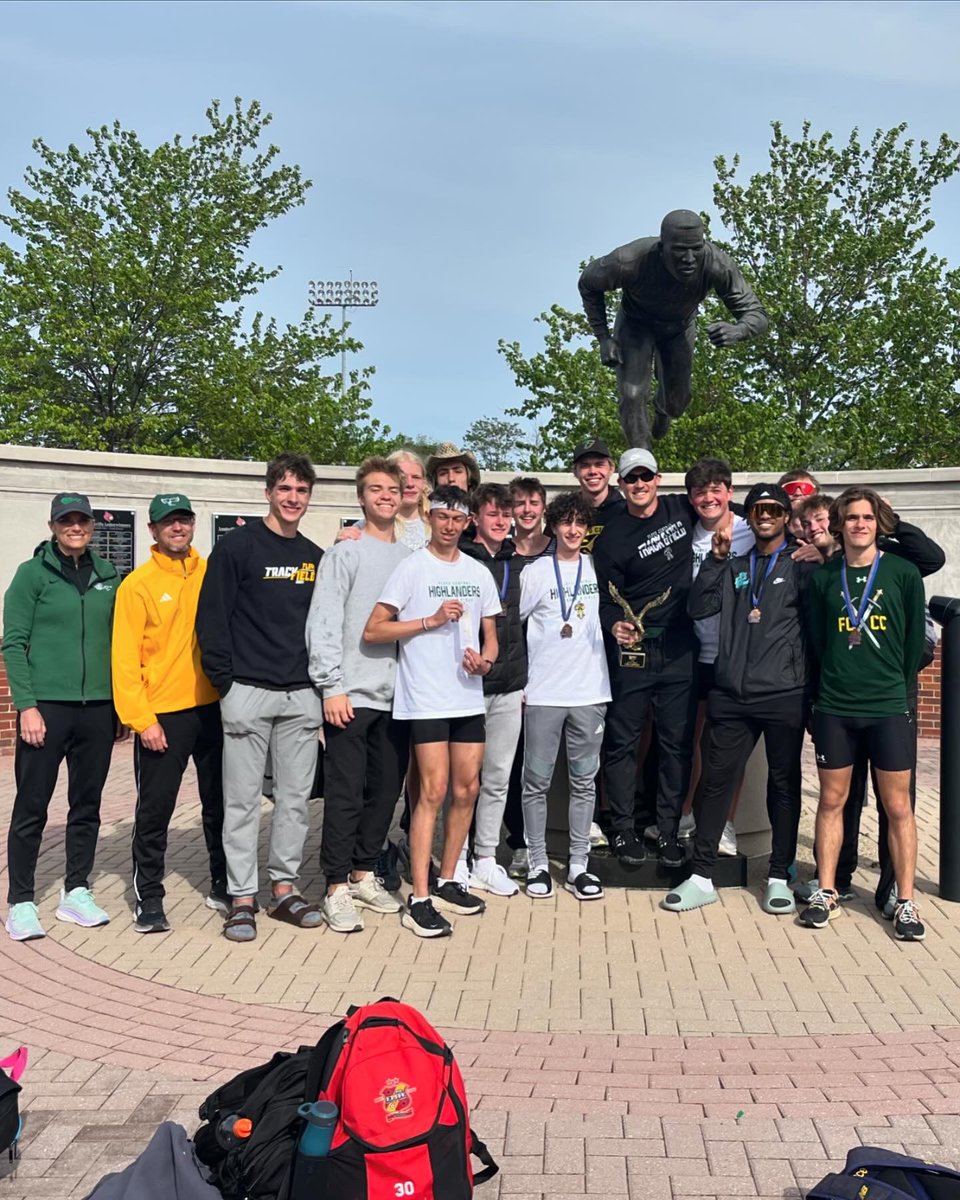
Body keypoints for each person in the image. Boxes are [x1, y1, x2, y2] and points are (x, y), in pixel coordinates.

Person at [664, 484, 815, 914]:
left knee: (783, 785)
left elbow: (817, 629)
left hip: (784, 693)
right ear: (748, 517)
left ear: (785, 516)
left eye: (773, 509)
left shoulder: (801, 564)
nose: (764, 515)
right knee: (714, 784)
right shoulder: (733, 565)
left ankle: (778, 876)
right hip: (730, 691)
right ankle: (702, 876)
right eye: (757, 510)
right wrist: (713, 560)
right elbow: (698, 607)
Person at [196, 453, 324, 943]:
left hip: (299, 697)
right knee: (243, 802)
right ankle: (242, 897)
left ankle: (285, 889)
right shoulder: (238, 548)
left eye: (302, 490)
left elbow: (324, 625)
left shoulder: (315, 557)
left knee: (294, 801)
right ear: (268, 492)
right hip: (247, 691)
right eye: (285, 489)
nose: (293, 498)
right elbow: (212, 619)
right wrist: (226, 684)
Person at [795, 494, 944, 912]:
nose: (860, 524)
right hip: (837, 706)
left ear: (879, 523)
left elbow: (915, 641)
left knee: (898, 805)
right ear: (839, 525)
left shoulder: (903, 571)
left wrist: (890, 686)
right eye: (851, 518)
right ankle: (827, 891)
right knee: (832, 801)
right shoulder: (826, 577)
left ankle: (905, 899)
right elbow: (819, 642)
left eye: (867, 517)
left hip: (889, 704)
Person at [364, 486, 500, 938]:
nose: (448, 525)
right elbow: (375, 629)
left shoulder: (479, 572)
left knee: (468, 790)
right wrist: (430, 621)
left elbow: (490, 636)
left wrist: (486, 661)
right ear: (429, 517)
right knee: (433, 792)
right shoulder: (412, 568)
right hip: (424, 698)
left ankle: (447, 881)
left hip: (466, 696)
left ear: (467, 524)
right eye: (441, 516)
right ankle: (418, 899)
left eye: (456, 519)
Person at [2, 492, 120, 940]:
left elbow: (120, 643)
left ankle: (76, 892)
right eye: (66, 521)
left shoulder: (109, 575)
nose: (76, 527)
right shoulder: (32, 576)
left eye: (82, 521)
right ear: (53, 526)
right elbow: (13, 643)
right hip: (46, 709)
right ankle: (22, 901)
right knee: (31, 807)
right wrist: (27, 705)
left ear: (92, 526)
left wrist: (118, 704)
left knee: (87, 807)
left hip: (97, 709)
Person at [111, 492, 226, 934]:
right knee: (155, 811)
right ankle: (149, 899)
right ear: (153, 530)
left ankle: (222, 881)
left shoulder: (211, 573)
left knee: (219, 805)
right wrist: (143, 720)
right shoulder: (136, 585)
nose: (177, 528)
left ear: (193, 525)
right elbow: (123, 661)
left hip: (212, 709)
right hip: (164, 716)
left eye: (184, 520)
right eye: (168, 522)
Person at [306, 458, 411, 933]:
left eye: (393, 488)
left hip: (400, 696)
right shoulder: (344, 553)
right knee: (345, 795)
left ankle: (364, 872)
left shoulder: (412, 552)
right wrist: (331, 685)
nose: (386, 496)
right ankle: (334, 887)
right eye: (376, 489)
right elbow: (323, 622)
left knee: (385, 792)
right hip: (350, 695)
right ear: (361, 497)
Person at [592, 448, 699, 868]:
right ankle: (622, 829)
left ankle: (667, 830)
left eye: (646, 477)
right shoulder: (611, 537)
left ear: (659, 479)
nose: (639, 485)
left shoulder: (681, 508)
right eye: (631, 479)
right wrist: (615, 624)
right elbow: (603, 599)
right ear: (621, 484)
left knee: (675, 745)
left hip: (679, 647)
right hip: (632, 650)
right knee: (622, 744)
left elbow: (731, 508)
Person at [578, 210, 769, 446]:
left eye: (696, 249)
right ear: (662, 248)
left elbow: (757, 314)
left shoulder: (716, 264)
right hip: (636, 325)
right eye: (679, 250)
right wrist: (604, 337)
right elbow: (588, 283)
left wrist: (738, 330)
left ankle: (664, 409)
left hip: (678, 328)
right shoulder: (627, 261)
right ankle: (642, 458)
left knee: (678, 402)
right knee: (632, 394)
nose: (689, 259)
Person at [519, 492, 611, 901]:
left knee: (584, 783)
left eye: (580, 523)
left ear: (587, 528)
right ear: (553, 526)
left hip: (590, 692)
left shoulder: (597, 568)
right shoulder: (536, 572)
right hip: (542, 694)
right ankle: (538, 863)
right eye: (565, 522)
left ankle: (578, 866)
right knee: (535, 782)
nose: (573, 530)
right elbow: (511, 628)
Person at [671, 457, 756, 854]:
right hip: (691, 653)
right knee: (690, 741)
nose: (708, 497)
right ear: (691, 498)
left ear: (730, 493)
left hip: (735, 656)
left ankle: (724, 823)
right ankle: (687, 814)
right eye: (700, 491)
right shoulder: (684, 535)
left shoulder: (750, 530)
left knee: (726, 747)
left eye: (715, 489)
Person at [458, 483, 527, 896]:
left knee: (499, 777)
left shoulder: (520, 562)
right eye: (493, 514)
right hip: (467, 686)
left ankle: (486, 858)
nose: (501, 521)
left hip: (509, 686)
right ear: (475, 519)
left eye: (507, 515)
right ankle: (458, 856)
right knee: (464, 780)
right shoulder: (460, 560)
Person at [502, 476, 555, 879]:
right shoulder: (498, 552)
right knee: (510, 761)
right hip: (507, 667)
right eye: (519, 503)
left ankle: (540, 840)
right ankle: (517, 842)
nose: (526, 509)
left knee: (537, 764)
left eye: (533, 502)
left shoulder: (560, 550)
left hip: (551, 669)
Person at [571, 439, 625, 552]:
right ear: (575, 471)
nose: (592, 471)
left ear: (611, 468)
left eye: (599, 464)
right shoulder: (564, 511)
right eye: (585, 465)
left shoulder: (626, 511)